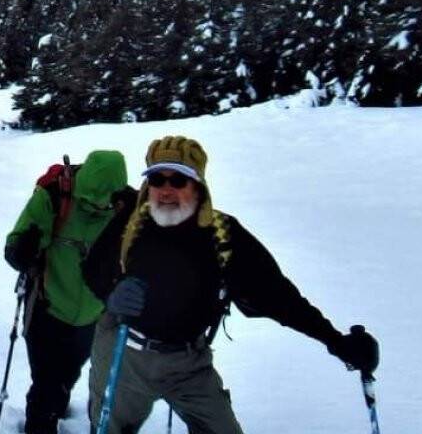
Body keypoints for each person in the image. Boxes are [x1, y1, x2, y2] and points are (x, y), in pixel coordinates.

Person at [83, 136, 379, 434]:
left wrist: (335, 340)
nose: (167, 190)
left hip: (188, 363)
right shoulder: (129, 223)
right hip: (124, 355)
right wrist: (112, 293)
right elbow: (93, 268)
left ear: (198, 185)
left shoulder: (223, 235)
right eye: (158, 179)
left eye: (179, 180)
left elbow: (277, 295)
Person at [4, 150, 131, 434]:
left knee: (70, 371)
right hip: (46, 305)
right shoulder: (54, 195)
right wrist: (21, 250)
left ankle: (58, 399)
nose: (95, 207)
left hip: (94, 313)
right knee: (45, 380)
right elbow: (17, 241)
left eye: (103, 203)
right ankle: (40, 423)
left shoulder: (128, 207)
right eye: (87, 201)